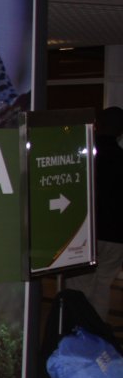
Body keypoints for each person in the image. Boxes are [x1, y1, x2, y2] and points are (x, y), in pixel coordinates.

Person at [67, 106, 123, 322]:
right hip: (116, 237)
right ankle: (97, 332)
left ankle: (77, 332)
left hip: (85, 233)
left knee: (79, 289)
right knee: (103, 286)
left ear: (97, 125)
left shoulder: (83, 157)